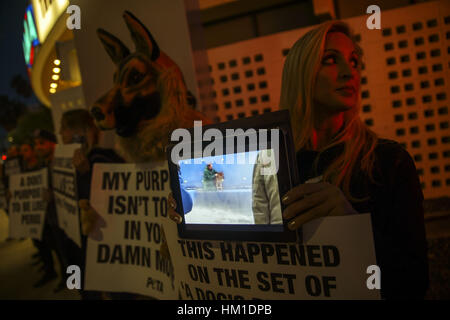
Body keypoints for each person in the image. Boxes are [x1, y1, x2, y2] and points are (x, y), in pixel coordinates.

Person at [169, 21, 429, 300]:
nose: (348, 72)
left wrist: (349, 223)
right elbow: (249, 260)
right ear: (301, 72)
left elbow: (413, 281)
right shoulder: (270, 159)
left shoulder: (389, 162)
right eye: (331, 60)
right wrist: (186, 220)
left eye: (354, 62)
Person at [60, 109, 124, 299]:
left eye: (64, 129)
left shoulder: (101, 158)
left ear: (80, 131)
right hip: (80, 245)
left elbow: (116, 202)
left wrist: (87, 175)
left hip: (104, 245)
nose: (60, 134)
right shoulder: (66, 164)